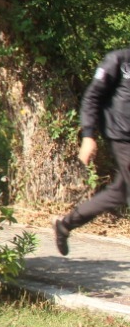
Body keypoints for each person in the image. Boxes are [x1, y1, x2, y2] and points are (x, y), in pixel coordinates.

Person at [54, 48, 130, 256]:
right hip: (122, 136)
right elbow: (92, 97)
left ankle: (65, 225)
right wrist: (88, 135)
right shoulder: (118, 61)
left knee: (119, 193)